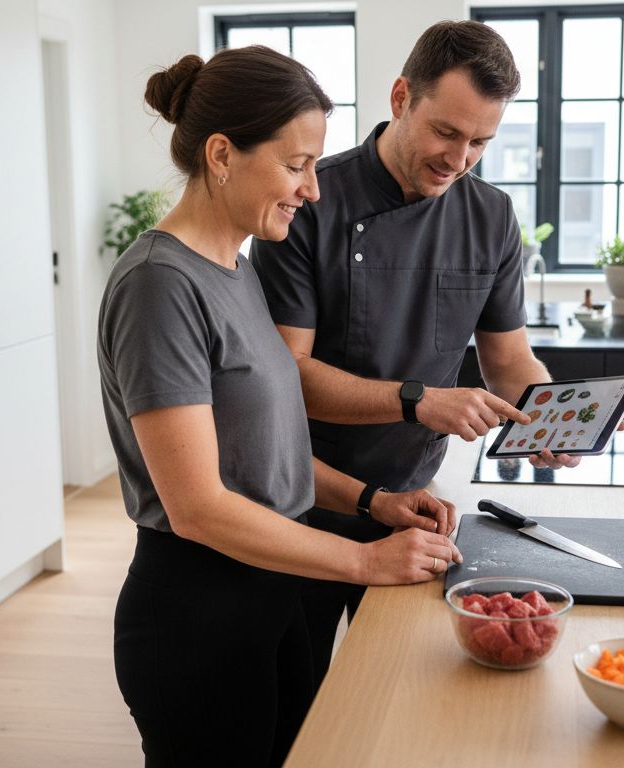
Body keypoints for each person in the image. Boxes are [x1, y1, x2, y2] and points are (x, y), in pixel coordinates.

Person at [98, 45, 461, 768]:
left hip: (272, 596)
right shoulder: (158, 285)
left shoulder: (232, 268)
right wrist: (367, 563)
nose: (313, 190)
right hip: (198, 618)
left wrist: (372, 502)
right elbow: (199, 506)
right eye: (296, 165)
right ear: (223, 153)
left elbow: (265, 456)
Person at [252, 20, 598, 690]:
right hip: (302, 495)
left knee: (399, 690)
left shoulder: (491, 216)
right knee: (296, 697)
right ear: (401, 96)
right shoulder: (309, 200)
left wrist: (552, 416)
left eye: (481, 142)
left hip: (415, 502)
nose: (460, 157)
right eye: (446, 132)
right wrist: (419, 400)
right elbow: (284, 379)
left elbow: (510, 360)